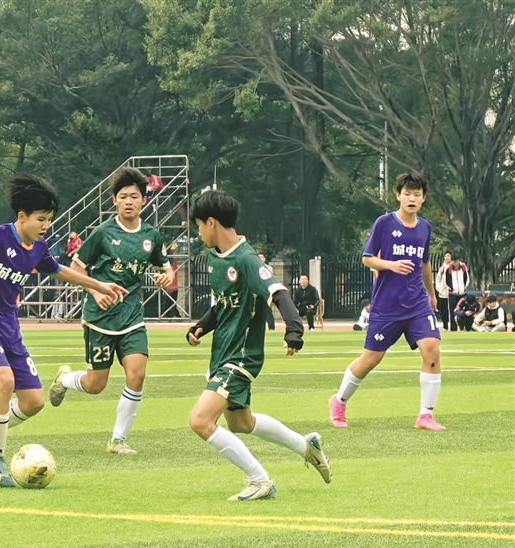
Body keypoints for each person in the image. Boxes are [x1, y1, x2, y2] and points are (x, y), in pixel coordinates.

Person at [0, 174, 127, 488]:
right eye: (41, 219)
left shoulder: (37, 247)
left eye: (49, 219)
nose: (46, 225)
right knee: (4, 381)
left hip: (8, 325)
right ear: (21, 217)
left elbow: (59, 270)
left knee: (34, 401)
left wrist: (96, 286)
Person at [184, 190, 330, 501]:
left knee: (199, 420)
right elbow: (223, 306)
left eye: (199, 226)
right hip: (223, 352)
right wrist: (201, 326)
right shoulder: (215, 257)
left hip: (240, 357)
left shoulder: (247, 259)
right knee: (241, 423)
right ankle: (307, 446)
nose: (199, 233)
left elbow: (278, 293)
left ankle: (259, 480)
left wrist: (294, 328)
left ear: (211, 223)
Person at [49, 167, 176, 455]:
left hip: (131, 316)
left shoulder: (151, 236)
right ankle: (65, 379)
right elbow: (76, 269)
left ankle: (117, 440)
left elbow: (164, 266)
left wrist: (166, 276)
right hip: (99, 317)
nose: (129, 201)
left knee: (137, 375)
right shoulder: (102, 233)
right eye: (123, 197)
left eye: (134, 196)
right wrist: (95, 290)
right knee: (96, 385)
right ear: (114, 202)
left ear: (143, 200)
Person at [329, 172, 446, 431]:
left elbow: (425, 263)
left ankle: (425, 416)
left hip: (417, 303)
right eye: (407, 193)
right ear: (398, 195)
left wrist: (431, 293)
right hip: (387, 305)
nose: (411, 198)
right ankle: (339, 402)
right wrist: (391, 265)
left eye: (417, 194)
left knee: (432, 350)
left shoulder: (425, 227)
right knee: (370, 359)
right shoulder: (384, 223)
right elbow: (367, 258)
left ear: (423, 198)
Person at [445, 254, 469, 332]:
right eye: (454, 262)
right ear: (452, 262)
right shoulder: (448, 268)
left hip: (462, 293)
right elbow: (446, 280)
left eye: (457, 262)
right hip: (453, 294)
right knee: (452, 312)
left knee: (464, 310)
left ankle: (464, 327)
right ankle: (453, 329)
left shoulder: (463, 267)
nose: (456, 264)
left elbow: (467, 277)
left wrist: (465, 286)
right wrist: (450, 288)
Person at [434, 252, 451, 330]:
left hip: (452, 292)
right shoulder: (442, 267)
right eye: (445, 256)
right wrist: (439, 288)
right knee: (443, 309)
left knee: (451, 309)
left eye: (448, 256)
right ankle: (445, 326)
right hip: (442, 292)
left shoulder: (454, 266)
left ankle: (452, 325)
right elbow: (438, 279)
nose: (447, 257)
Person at [258, 254, 275, 330]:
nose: (260, 259)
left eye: (262, 257)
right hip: (257, 290)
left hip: (266, 291)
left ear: (264, 259)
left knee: (268, 310)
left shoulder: (269, 268)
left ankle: (271, 327)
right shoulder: (254, 267)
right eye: (259, 257)